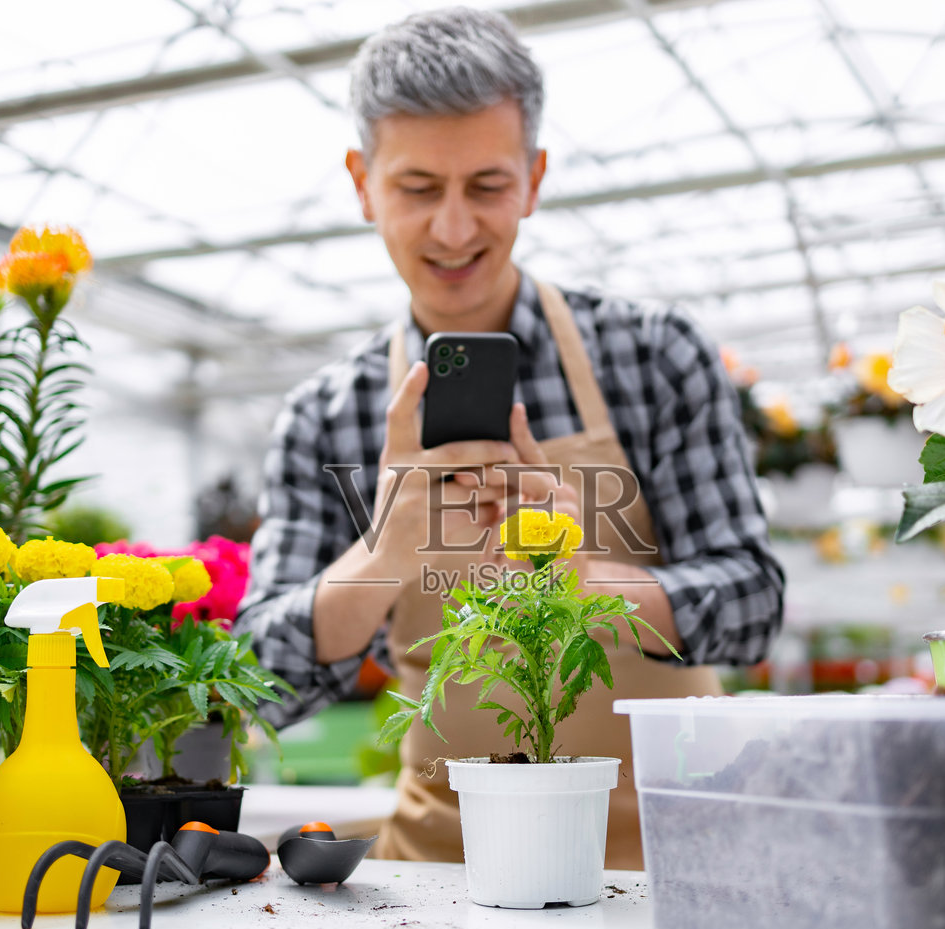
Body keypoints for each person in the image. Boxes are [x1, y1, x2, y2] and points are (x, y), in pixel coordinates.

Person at [236, 6, 784, 869]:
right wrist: (380, 555)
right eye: (418, 188)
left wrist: (584, 579)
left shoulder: (652, 355)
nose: (454, 230)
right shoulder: (327, 414)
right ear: (362, 182)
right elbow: (256, 683)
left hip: (677, 852)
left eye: (487, 186)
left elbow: (756, 599)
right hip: (448, 868)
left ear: (533, 178)